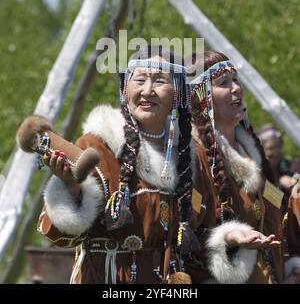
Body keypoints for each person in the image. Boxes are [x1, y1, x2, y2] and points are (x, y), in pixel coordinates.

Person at [17, 45, 221, 284]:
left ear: (177, 93)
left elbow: (203, 237)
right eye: (140, 79)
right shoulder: (98, 146)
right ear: (125, 89)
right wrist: (71, 189)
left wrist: (230, 239)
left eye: (160, 81)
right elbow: (60, 238)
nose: (147, 91)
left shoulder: (193, 157)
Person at [187, 51, 286, 284]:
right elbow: (184, 233)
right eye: (224, 83)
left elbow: (276, 215)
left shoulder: (253, 151)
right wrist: (228, 237)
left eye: (236, 80)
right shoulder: (194, 157)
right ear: (202, 98)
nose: (236, 88)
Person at [257, 124, 296, 195]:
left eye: (278, 147)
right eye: (270, 148)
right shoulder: (256, 171)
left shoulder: (288, 166)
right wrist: (283, 186)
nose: (275, 152)